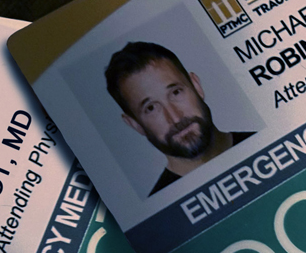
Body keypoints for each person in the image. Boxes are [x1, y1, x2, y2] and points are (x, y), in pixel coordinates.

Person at [105, 41, 253, 195]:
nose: (175, 118)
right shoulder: (161, 214)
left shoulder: (265, 140)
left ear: (196, 86)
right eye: (151, 108)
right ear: (135, 125)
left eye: (176, 93)